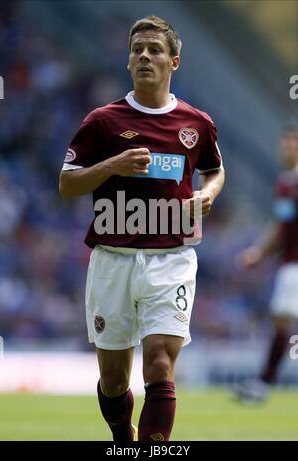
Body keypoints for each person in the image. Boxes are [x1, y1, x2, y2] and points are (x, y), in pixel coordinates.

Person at [59, 16, 225, 441]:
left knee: (159, 364)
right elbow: (67, 184)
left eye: (154, 49)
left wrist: (208, 195)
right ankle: (122, 436)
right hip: (112, 260)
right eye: (137, 50)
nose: (144, 56)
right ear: (128, 60)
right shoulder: (102, 121)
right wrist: (114, 164)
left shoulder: (196, 123)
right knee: (114, 381)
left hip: (172, 259)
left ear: (175, 61)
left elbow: (215, 171)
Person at [234, 122, 298, 403]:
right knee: (281, 320)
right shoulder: (286, 182)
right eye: (284, 142)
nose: (286, 147)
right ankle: (263, 384)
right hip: (290, 262)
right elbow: (281, 224)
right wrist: (259, 251)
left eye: (293, 142)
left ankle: (263, 383)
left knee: (282, 319)